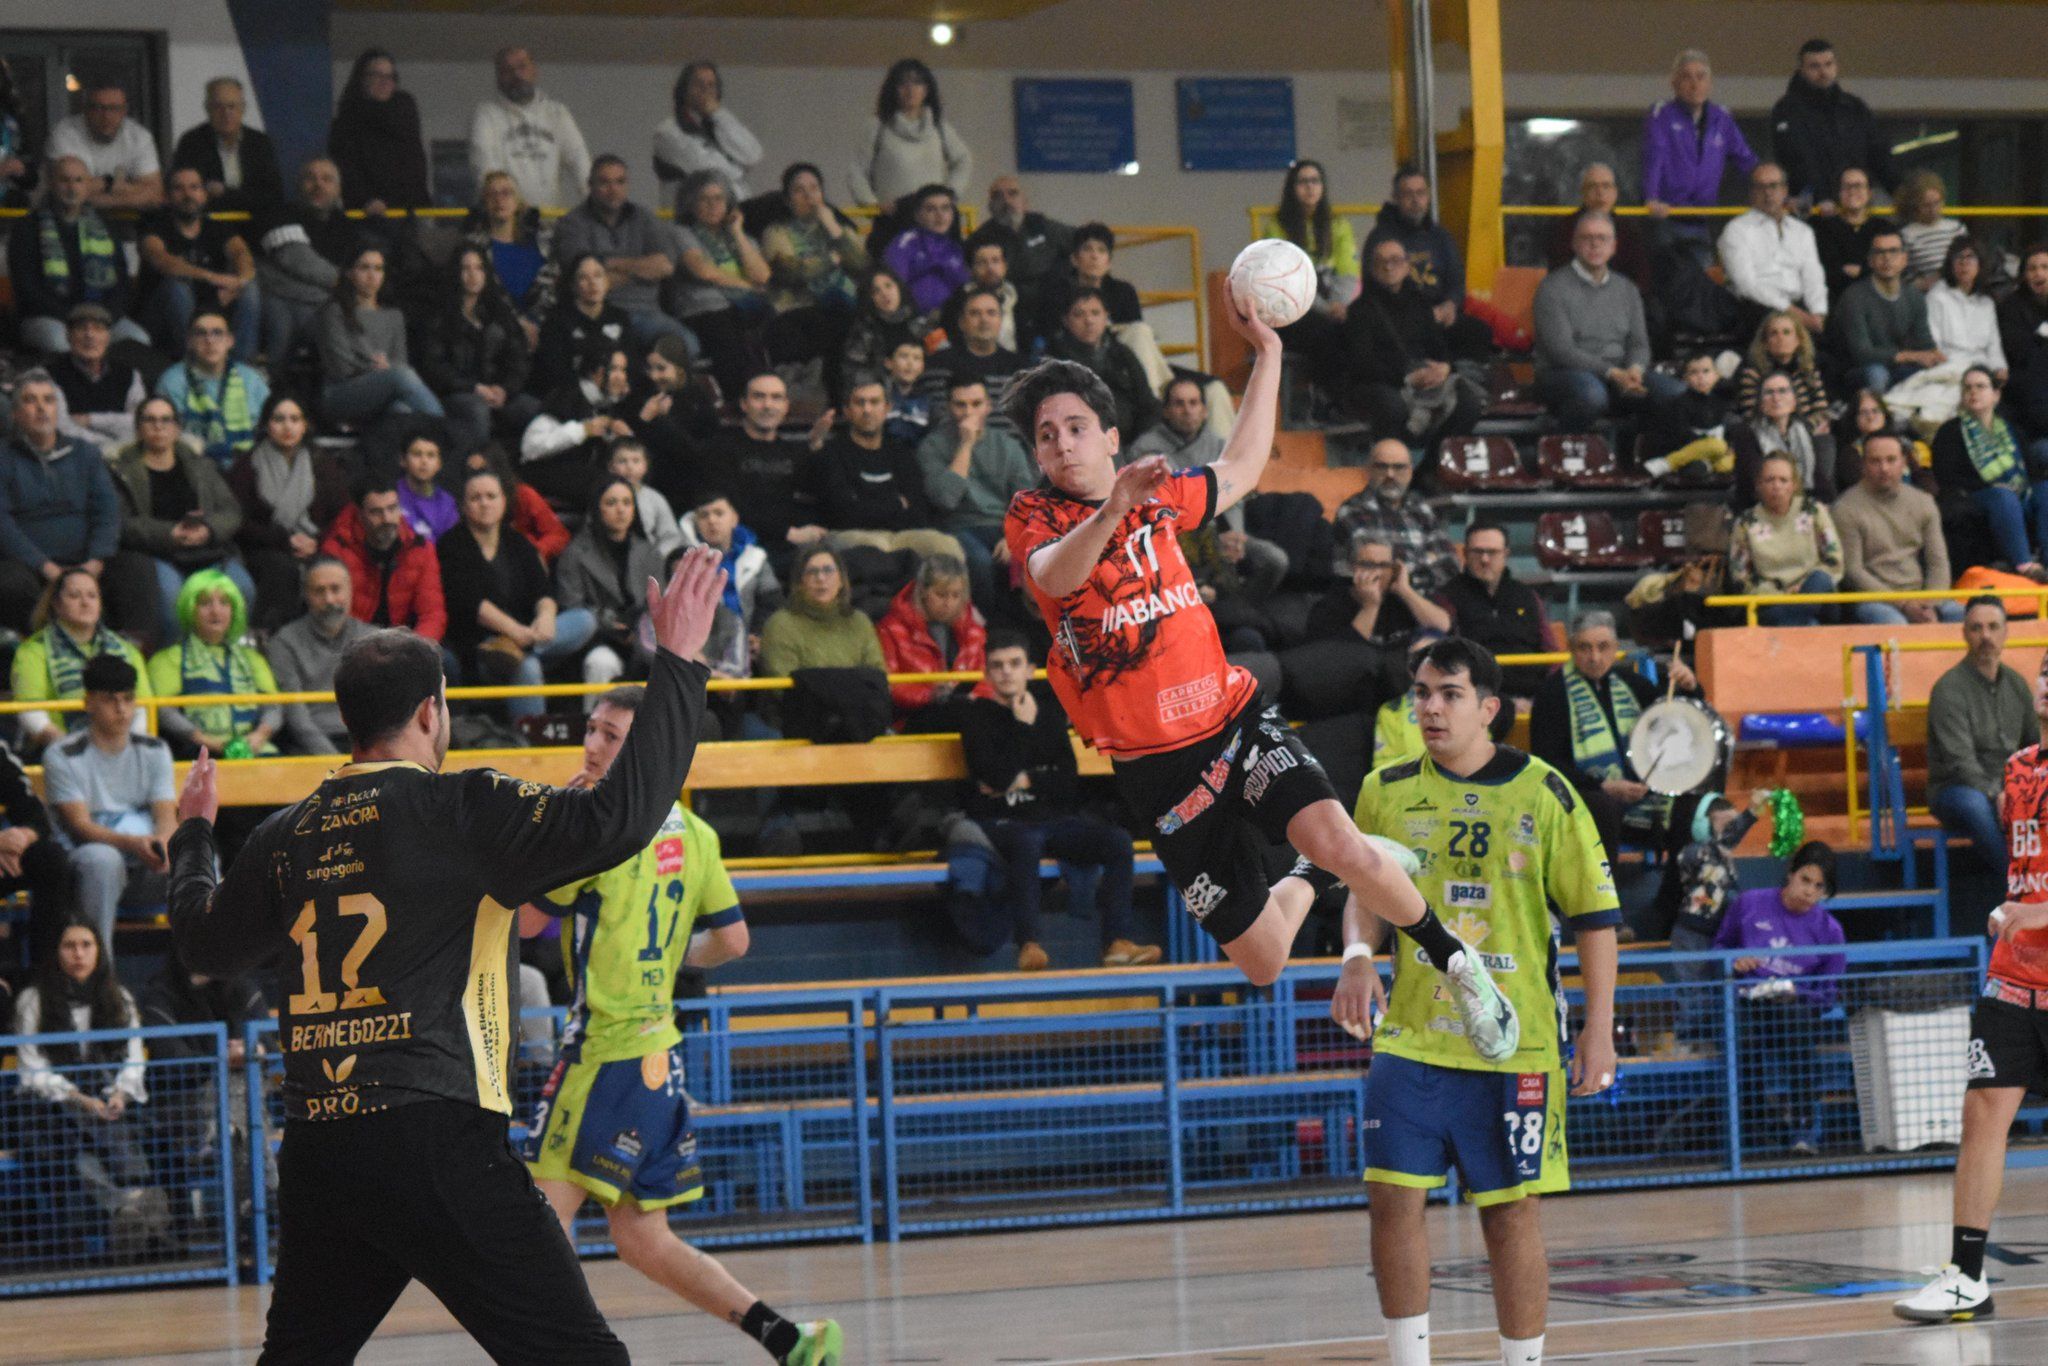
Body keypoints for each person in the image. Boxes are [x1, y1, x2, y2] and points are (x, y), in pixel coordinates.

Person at [164, 549, 726, 1364]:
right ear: (432, 713)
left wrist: (191, 836)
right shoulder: (462, 807)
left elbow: (202, 940)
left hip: (322, 1144)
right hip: (436, 1134)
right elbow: (622, 820)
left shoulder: (285, 835)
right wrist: (679, 663)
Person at [1002, 305, 1510, 1009]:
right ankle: (1309, 874)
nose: (1061, 444)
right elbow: (1055, 576)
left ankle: (1457, 965)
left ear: (1111, 436)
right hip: (1157, 770)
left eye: (1076, 427)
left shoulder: (1158, 499)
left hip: (1231, 720)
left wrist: (1269, 353)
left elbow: (1241, 465)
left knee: (1346, 845)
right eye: (1046, 435)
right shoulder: (1036, 517)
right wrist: (1114, 508)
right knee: (1266, 962)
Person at [518, 684, 841, 1364]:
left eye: (613, 737)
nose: (594, 745)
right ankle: (788, 1339)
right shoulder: (695, 833)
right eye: (594, 730)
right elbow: (733, 941)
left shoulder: (595, 824)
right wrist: (666, 966)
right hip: (659, 1054)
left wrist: (554, 831)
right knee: (642, 1238)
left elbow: (526, 922)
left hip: (603, 1052)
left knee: (537, 1225)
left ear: (647, 753)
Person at [1339, 636, 1619, 1366]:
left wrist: (1600, 1031)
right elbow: (1362, 889)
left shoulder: (1546, 793)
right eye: (1421, 694)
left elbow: (1595, 918)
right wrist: (1358, 957)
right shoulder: (1384, 788)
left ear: (1490, 708)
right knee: (1393, 1200)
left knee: (1510, 1216)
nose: (1430, 707)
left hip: (1515, 1044)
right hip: (1411, 1036)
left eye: (1449, 694)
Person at [1893, 675, 2048, 1323]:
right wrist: (2012, 911)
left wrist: (2039, 915)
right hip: (2014, 980)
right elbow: (2025, 875)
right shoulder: (2017, 772)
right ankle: (1966, 1277)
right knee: (1983, 1113)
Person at [960, 632, 1159, 970]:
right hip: (1001, 822)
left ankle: (1117, 942)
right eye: (997, 666)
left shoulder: (1049, 714)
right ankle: (1029, 944)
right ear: (987, 674)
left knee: (1118, 841)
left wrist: (1025, 778)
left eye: (1014, 664)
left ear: (1029, 670)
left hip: (1052, 818)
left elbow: (1067, 781)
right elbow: (995, 776)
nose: (1006, 672)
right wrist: (1022, 730)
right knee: (1027, 841)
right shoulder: (974, 717)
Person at [11, 917, 164, 1251]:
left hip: (108, 1102)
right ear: (56, 952)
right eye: (69, 946)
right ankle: (134, 1201)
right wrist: (78, 1098)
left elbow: (134, 1057)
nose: (78, 954)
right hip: (50, 1109)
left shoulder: (118, 997)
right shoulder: (33, 1001)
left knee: (100, 1142)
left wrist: (122, 1093)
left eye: (86, 945)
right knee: (76, 1151)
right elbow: (32, 1069)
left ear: (98, 950)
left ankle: (125, 1210)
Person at [1528, 609, 1704, 864]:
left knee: (1692, 806)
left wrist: (1691, 688)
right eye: (1584, 648)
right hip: (1585, 797)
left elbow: (1676, 724)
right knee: (1603, 808)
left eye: (1603, 647)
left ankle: (1673, 898)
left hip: (1642, 792)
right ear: (1571, 648)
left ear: (1615, 648)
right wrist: (1603, 787)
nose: (1595, 657)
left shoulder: (1633, 684)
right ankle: (1605, 899)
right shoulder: (1551, 694)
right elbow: (1547, 763)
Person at [1720, 843, 1849, 1156]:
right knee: (1745, 1041)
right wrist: (1735, 962)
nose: (1809, 892)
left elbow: (1828, 993)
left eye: (1819, 887)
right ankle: (1753, 1133)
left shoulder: (1830, 931)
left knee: (1799, 1036)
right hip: (1747, 1002)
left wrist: (1797, 993)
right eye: (1805, 880)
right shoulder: (1749, 903)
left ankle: (1803, 1131)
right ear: (1791, 874)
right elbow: (1718, 950)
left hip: (1795, 1011)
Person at [437, 466, 596, 716]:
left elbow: (543, 592)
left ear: (504, 501)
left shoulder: (518, 542)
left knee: (585, 620)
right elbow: (471, 604)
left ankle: (521, 648)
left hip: (528, 636)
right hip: (482, 646)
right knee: (528, 666)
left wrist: (545, 618)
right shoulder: (451, 546)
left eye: (491, 497)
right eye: (476, 498)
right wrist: (514, 631)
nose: (484, 504)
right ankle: (531, 749)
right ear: (464, 505)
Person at [0, 371, 145, 639]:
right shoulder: (4, 458)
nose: (42, 408)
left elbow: (107, 511)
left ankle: (132, 655)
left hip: (87, 559)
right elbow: (3, 525)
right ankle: (41, 653)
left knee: (137, 568)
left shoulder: (86, 453)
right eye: (31, 401)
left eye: (48, 400)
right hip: (32, 565)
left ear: (58, 410)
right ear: (15, 415)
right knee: (9, 582)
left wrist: (95, 561)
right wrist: (46, 567)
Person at [44, 655, 176, 951]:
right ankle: (100, 979)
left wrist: (165, 844)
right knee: (103, 860)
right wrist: (134, 844)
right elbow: (79, 826)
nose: (122, 709)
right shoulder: (62, 754)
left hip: (147, 864)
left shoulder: (155, 750)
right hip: (85, 867)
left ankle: (208, 978)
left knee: (199, 856)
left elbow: (166, 814)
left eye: (129, 699)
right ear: (88, 702)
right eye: (110, 700)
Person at [1126, 377, 1287, 596]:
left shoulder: (1221, 446)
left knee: (1275, 560)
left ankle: (1241, 609)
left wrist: (1237, 536)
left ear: (1204, 410)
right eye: (1179, 403)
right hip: (1178, 539)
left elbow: (1236, 495)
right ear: (1165, 411)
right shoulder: (1146, 449)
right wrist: (1214, 538)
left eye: (1194, 403)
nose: (1187, 410)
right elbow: (1172, 505)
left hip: (1226, 533)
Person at [110, 395, 253, 640]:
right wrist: (170, 534)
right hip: (156, 554)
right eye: (150, 420)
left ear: (177, 429)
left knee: (242, 589)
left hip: (207, 550)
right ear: (138, 428)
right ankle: (174, 662)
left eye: (166, 420)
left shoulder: (200, 466)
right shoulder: (122, 470)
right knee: (172, 600)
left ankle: (228, 658)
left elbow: (231, 511)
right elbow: (122, 522)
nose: (158, 426)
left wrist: (208, 529)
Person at [1531, 214, 1680, 432]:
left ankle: (1647, 458)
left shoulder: (1627, 289)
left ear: (1614, 247)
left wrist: (1635, 370)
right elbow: (1561, 351)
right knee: (1592, 394)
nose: (1595, 244)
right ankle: (1561, 445)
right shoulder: (1551, 289)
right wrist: (1613, 373)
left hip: (1620, 374)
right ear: (1574, 244)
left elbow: (1639, 344)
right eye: (1587, 238)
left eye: (1602, 238)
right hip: (1562, 374)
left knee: (1675, 393)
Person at [1927, 596, 2038, 872]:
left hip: (2007, 787)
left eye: (1993, 627)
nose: (1985, 636)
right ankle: (2018, 881)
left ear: (2006, 631)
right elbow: (1959, 760)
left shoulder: (2017, 684)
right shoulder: (1948, 689)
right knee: (1976, 805)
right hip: (1956, 789)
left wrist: (2023, 789)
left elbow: (2035, 745)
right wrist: (1996, 793)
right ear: (1964, 633)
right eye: (1976, 628)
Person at [230, 392, 352, 632]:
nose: (288, 427)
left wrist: (317, 541)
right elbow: (238, 520)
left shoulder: (322, 464)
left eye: (295, 419)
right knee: (280, 569)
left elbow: (342, 515)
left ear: (305, 425)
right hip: (265, 549)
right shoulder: (247, 465)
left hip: (315, 545)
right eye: (279, 419)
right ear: (267, 424)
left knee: (332, 569)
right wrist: (283, 540)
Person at [1341, 234, 1481, 443]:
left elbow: (1439, 348)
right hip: (1382, 382)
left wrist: (1444, 368)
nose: (1389, 267)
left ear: (1407, 266)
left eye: (1395, 260)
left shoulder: (1420, 304)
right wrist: (1407, 378)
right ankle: (1395, 463)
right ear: (1371, 269)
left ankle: (1431, 466)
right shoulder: (1360, 311)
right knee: (1393, 407)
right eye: (1382, 262)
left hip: (1424, 377)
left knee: (1469, 402)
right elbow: (1362, 363)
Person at [917, 375, 1036, 609]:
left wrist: (1013, 535)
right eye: (960, 405)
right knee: (980, 561)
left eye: (976, 404)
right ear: (949, 407)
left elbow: (1027, 500)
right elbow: (946, 499)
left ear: (988, 406)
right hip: (957, 526)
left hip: (1002, 525)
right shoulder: (932, 446)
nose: (968, 412)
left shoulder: (1008, 446)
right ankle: (988, 628)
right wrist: (966, 444)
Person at [6, 156, 147, 354]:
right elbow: (27, 289)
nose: (72, 187)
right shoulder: (28, 227)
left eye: (79, 180)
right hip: (50, 318)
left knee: (138, 340)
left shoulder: (105, 226)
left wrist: (101, 318)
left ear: (88, 185)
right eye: (65, 180)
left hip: (100, 317)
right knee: (60, 343)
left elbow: (121, 284)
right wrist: (75, 319)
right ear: (52, 183)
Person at [814, 374, 963, 562]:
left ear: (887, 408)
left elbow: (917, 510)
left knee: (947, 546)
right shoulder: (833, 453)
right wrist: (897, 504)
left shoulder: (901, 453)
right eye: (860, 403)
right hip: (852, 535)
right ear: (847, 411)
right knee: (878, 552)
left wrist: (866, 505)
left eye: (874, 402)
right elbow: (843, 514)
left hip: (902, 535)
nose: (867, 410)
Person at [551, 156, 693, 351]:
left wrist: (606, 264)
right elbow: (581, 274)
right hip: (598, 312)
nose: (613, 189)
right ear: (590, 185)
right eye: (604, 182)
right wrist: (642, 268)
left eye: (620, 182)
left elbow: (666, 265)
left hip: (647, 312)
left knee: (688, 346)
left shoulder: (644, 217)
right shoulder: (572, 223)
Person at [416, 244, 540, 459]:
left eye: (479, 268)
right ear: (456, 273)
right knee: (476, 410)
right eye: (466, 268)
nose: (473, 275)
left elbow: (518, 360)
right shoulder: (438, 316)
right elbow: (433, 366)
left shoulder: (499, 312)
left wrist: (505, 389)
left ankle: (526, 471)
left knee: (533, 409)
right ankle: (476, 469)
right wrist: (475, 387)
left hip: (498, 392)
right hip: (457, 394)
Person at [10, 568, 152, 752]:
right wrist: (75, 752)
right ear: (56, 604)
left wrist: (125, 751)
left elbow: (144, 708)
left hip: (122, 752)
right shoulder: (33, 651)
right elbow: (31, 712)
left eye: (92, 596)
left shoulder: (126, 650)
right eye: (74, 596)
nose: (85, 603)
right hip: (57, 752)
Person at [146, 568, 282, 759]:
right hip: (197, 753)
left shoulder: (253, 659)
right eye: (205, 603)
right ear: (190, 609)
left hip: (255, 750)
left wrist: (259, 736)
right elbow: (165, 712)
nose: (216, 611)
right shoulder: (168, 659)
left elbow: (273, 707)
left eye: (224, 603)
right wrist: (209, 742)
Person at [316, 244, 446, 434]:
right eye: (364, 267)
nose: (372, 275)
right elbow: (341, 368)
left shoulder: (394, 316)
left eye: (378, 268)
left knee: (401, 410)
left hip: (386, 390)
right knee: (402, 376)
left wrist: (388, 369)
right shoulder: (334, 312)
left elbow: (400, 361)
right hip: (341, 393)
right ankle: (448, 436)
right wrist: (382, 370)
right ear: (350, 273)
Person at [1931, 367, 2048, 574]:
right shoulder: (1950, 432)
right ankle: (2025, 565)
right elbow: (1946, 477)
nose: (1973, 392)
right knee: (2003, 495)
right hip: (1978, 496)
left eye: (1980, 386)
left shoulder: (2012, 430)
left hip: (2017, 493)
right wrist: (1993, 486)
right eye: (1967, 388)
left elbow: (2031, 472)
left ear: (1996, 395)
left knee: (2045, 490)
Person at [1368, 165, 1491, 361]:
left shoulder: (1440, 236)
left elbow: (1457, 280)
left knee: (1478, 332)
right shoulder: (1382, 239)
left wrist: (1450, 304)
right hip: (1401, 319)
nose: (1416, 200)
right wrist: (1423, 315)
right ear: (1396, 197)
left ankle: (1460, 381)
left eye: (1421, 193)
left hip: (1441, 313)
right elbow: (1376, 288)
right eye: (1408, 194)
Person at [1833, 432, 1957, 625]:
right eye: (1875, 461)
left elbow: (1938, 563)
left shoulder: (1924, 502)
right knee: (1896, 624)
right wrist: (1904, 604)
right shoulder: (1845, 508)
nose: (1884, 468)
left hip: (1921, 596)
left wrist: (1929, 604)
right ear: (1863, 465)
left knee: (1966, 616)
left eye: (1891, 460)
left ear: (1904, 462)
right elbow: (1853, 571)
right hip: (1873, 600)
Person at [138, 166, 262, 359]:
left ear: (204, 195)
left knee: (249, 288)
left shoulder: (216, 227)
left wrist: (240, 282)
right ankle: (195, 363)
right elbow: (164, 262)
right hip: (161, 319)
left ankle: (240, 370)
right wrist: (214, 278)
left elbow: (241, 253)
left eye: (194, 187)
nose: (188, 194)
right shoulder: (154, 228)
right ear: (167, 196)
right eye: (179, 188)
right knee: (176, 287)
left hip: (210, 309)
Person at [554, 475, 663, 689]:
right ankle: (597, 723)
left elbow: (662, 604)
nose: (621, 510)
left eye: (626, 502)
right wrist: (611, 626)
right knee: (601, 663)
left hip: (645, 638)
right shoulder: (575, 553)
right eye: (611, 503)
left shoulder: (650, 552)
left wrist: (640, 630)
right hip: (599, 640)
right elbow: (571, 608)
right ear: (597, 509)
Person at [702, 370, 825, 556]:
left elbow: (819, 493)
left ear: (785, 406)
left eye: (776, 398)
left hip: (790, 546)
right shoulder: (720, 449)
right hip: (741, 546)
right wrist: (788, 533)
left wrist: (816, 447)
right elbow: (730, 508)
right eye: (759, 397)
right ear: (744, 404)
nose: (768, 405)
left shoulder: (794, 452)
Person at [672, 171, 772, 398]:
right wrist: (746, 286)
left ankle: (765, 394)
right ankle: (740, 399)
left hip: (743, 310)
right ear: (690, 204)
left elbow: (763, 276)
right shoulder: (681, 233)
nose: (713, 205)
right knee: (728, 332)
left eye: (719, 198)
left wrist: (736, 233)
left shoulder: (739, 236)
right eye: (704, 199)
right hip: (703, 310)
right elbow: (704, 271)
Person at [760, 162, 864, 377]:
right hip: (800, 306)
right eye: (799, 190)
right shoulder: (776, 231)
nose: (809, 196)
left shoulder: (838, 228)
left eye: (815, 188)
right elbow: (793, 272)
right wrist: (833, 259)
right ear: (788, 201)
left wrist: (833, 228)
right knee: (835, 308)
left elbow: (862, 265)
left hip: (847, 305)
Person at [1262, 158, 1359, 386]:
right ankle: (1326, 401)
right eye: (1303, 181)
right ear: (1291, 188)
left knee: (1361, 327)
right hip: (1291, 311)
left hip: (1334, 306)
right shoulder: (1276, 226)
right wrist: (1327, 309)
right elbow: (1287, 281)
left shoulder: (1339, 225)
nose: (1310, 187)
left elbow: (1348, 271)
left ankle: (1354, 400)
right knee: (1324, 332)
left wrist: (1338, 304)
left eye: (1315, 181)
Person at [255, 156, 359, 366]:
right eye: (310, 178)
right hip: (279, 300)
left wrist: (341, 284)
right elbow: (297, 260)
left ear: (338, 190)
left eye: (327, 179)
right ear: (298, 185)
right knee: (282, 322)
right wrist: (338, 280)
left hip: (322, 308)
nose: (318, 184)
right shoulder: (280, 214)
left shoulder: (347, 227)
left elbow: (356, 279)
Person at [320, 473, 449, 643]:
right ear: (359, 513)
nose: (387, 519)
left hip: (404, 644)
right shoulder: (336, 550)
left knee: (448, 662)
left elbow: (432, 614)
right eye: (376, 512)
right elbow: (331, 618)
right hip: (353, 645)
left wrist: (416, 651)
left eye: (392, 508)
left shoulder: (420, 548)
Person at [1769, 37, 1897, 204]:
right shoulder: (1786, 111)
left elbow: (1879, 155)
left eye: (1828, 64)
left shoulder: (1854, 108)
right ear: (1801, 69)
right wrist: (1819, 197)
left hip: (1855, 207)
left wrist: (1899, 192)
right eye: (1814, 66)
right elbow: (1794, 162)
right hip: (1810, 210)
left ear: (1836, 66)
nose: (1823, 72)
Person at [268, 557, 374, 755]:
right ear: (306, 595)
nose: (329, 600)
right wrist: (336, 762)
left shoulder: (374, 640)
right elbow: (297, 717)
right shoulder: (284, 642)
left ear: (351, 590)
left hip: (367, 744)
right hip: (309, 748)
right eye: (319, 591)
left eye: (336, 589)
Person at [1332, 439, 1461, 596]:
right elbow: (1371, 574)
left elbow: (1450, 564)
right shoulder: (1353, 512)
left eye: (1399, 467)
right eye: (1382, 467)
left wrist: (1407, 582)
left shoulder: (1421, 509)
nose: (1390, 475)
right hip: (1375, 606)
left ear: (1410, 472)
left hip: (1423, 605)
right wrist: (1426, 561)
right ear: (1368, 471)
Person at [470, 45, 592, 212]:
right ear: (498, 77)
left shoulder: (556, 113)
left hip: (550, 220)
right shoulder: (487, 115)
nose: (516, 75)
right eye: (508, 70)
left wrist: (596, 207)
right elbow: (485, 167)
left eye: (522, 67)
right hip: (507, 221)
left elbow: (580, 160)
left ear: (534, 70)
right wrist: (511, 206)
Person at [1728, 452, 1845, 626]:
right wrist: (1781, 596)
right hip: (1773, 602)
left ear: (1793, 485)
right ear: (1758, 485)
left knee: (1820, 580)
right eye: (1769, 480)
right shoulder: (1746, 522)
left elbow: (1834, 560)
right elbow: (1741, 577)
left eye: (1783, 480)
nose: (1776, 486)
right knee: (1809, 624)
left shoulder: (1813, 510)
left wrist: (1803, 589)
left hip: (1817, 594)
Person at [523, 341, 641, 509]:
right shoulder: (566, 397)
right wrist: (583, 430)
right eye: (614, 369)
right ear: (596, 371)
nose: (621, 377)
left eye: (623, 370)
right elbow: (530, 447)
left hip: (583, 475)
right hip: (549, 473)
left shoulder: (610, 403)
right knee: (606, 486)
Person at [678, 489, 782, 679]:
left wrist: (757, 634)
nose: (711, 520)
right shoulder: (684, 560)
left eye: (719, 513)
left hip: (749, 644)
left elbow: (771, 603)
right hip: (700, 649)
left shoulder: (755, 558)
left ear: (734, 518)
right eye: (704, 515)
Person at [1440, 521, 1551, 697]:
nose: (1484, 559)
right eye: (1477, 552)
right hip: (1477, 699)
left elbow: (1551, 651)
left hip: (1536, 697)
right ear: (1465, 554)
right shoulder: (1447, 597)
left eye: (1492, 552)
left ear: (1506, 554)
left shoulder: (1527, 595)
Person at [1718, 162, 1827, 339]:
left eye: (1773, 186)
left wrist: (1818, 313)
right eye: (1760, 187)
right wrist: (1794, 313)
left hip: (1800, 307)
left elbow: (1813, 275)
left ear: (1785, 190)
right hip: (1758, 310)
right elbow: (1746, 285)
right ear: (1751, 192)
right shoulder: (1736, 230)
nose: (1767, 193)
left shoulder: (1802, 231)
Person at [1641, 49, 1758, 213]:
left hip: (1707, 214)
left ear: (1710, 84)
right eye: (1687, 77)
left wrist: (1775, 190)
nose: (1694, 85)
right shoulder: (1661, 114)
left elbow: (1747, 161)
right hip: (1667, 212)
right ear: (1674, 83)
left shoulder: (1722, 118)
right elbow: (1655, 157)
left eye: (1701, 77)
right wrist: (1651, 198)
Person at [1835, 227, 1943, 403]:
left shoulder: (1914, 296)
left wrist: (1937, 358)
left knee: (1934, 374)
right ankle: (1878, 425)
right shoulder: (1854, 296)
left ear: (1904, 259)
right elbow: (1862, 353)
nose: (1887, 258)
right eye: (1879, 252)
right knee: (1878, 373)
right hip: (1857, 369)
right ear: (1870, 260)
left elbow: (1924, 342)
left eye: (1893, 251)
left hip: (1897, 366)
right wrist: (1910, 356)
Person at [877, 554, 986, 728]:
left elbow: (986, 680)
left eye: (956, 595)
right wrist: (930, 696)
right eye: (941, 595)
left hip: (967, 716)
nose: (949, 603)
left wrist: (970, 698)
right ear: (922, 592)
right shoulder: (891, 629)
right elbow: (887, 686)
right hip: (912, 719)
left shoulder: (975, 631)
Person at [849, 57, 972, 207]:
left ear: (926, 90)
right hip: (892, 219)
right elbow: (857, 171)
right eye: (902, 83)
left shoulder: (940, 128)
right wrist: (872, 204)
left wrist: (950, 195)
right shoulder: (877, 127)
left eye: (917, 82)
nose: (910, 89)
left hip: (932, 219)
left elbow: (963, 160)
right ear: (893, 90)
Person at [157, 310, 270, 469]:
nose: (209, 340)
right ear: (189, 341)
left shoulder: (252, 380)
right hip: (193, 469)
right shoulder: (172, 381)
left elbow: (270, 427)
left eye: (217, 333)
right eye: (201, 333)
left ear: (230, 341)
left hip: (250, 468)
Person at [1045, 287, 1158, 443]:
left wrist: (1141, 443)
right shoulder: (1054, 360)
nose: (1089, 321)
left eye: (1095, 313)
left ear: (1106, 317)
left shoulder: (1123, 354)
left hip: (1130, 443)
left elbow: (1148, 405)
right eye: (1079, 315)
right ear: (1066, 320)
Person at [1308, 533, 1453, 650]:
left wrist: (1405, 591)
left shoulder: (1400, 597)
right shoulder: (1330, 605)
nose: (1377, 572)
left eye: (1384, 565)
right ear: (1353, 568)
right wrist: (1370, 606)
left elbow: (1443, 626)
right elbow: (1342, 656)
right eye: (1368, 564)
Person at [758, 544, 885, 677]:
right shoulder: (780, 625)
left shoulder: (860, 622)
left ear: (841, 580)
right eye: (812, 572)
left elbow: (878, 680)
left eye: (828, 570)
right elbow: (783, 688)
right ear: (800, 583)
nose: (821, 578)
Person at [328, 50, 430, 214]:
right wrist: (366, 200)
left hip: (410, 211)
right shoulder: (346, 123)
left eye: (390, 76)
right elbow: (345, 169)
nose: (385, 82)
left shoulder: (404, 115)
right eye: (377, 75)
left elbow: (416, 164)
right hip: (365, 214)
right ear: (362, 79)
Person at [171, 76, 284, 217]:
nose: (226, 113)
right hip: (208, 224)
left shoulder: (260, 143)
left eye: (232, 106)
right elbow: (184, 193)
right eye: (218, 107)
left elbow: (273, 196)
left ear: (243, 109)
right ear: (208, 109)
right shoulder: (192, 142)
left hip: (256, 223)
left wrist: (225, 193)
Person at [653, 61, 762, 196]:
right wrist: (740, 168)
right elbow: (709, 170)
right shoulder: (668, 131)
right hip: (688, 212)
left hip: (734, 208)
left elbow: (753, 155)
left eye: (711, 85)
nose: (706, 90)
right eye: (698, 84)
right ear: (684, 90)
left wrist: (719, 114)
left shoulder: (720, 123)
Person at [46, 82, 161, 211]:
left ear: (124, 111)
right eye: (99, 108)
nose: (106, 116)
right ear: (86, 110)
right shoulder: (65, 133)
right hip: (73, 218)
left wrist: (98, 187)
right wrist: (118, 186)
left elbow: (155, 194)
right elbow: (66, 192)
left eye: (114, 108)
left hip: (129, 221)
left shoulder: (139, 137)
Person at [48, 302, 146, 454]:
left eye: (98, 329)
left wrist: (90, 420)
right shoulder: (50, 375)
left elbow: (140, 422)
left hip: (123, 458)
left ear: (108, 337)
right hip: (73, 456)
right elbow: (62, 427)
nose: (90, 335)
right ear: (68, 336)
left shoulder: (129, 375)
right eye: (81, 328)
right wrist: (109, 446)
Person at [465, 170, 557, 331]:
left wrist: (534, 324)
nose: (499, 199)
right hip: (496, 328)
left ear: (518, 202)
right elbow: (483, 297)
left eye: (506, 193)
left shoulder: (543, 240)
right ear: (484, 203)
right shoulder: (474, 246)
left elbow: (552, 286)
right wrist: (519, 323)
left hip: (545, 325)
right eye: (492, 194)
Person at [532, 251, 632, 398]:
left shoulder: (620, 318)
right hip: (568, 398)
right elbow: (553, 371)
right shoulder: (556, 320)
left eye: (598, 275)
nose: (592, 283)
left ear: (607, 281)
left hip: (615, 393)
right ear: (573, 285)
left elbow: (632, 361)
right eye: (583, 277)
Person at [1732, 371, 1837, 506]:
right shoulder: (1746, 433)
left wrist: (1824, 503)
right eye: (1769, 392)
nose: (1776, 398)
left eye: (1783, 391)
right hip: (1762, 505)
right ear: (1760, 402)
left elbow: (1817, 476)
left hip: (1803, 502)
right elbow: (1752, 483)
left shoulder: (1803, 430)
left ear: (1794, 401)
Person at [1543, 163, 1651, 290]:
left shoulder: (1629, 230)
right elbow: (1557, 277)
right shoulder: (1564, 228)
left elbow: (1640, 280)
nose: (1600, 193)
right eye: (1593, 186)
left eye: (1606, 186)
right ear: (1583, 193)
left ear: (1615, 193)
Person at [984, 176, 1073, 325]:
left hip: (1052, 308)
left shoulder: (1044, 226)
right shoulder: (982, 238)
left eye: (1013, 193)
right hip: (1006, 313)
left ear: (1025, 202)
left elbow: (1084, 241)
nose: (1006, 201)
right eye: (998, 196)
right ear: (990, 206)